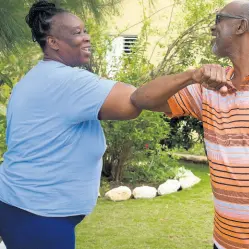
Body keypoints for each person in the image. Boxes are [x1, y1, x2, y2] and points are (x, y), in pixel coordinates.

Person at [0, 1, 228, 249]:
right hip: (40, 215)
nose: (87, 38)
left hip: (21, 206)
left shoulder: (34, 78)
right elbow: (134, 101)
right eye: (77, 33)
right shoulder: (68, 81)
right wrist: (192, 76)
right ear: (53, 42)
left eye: (85, 30)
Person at [131, 1, 249, 249]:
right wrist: (191, 75)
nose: (212, 27)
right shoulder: (208, 88)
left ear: (240, 26)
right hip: (225, 242)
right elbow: (141, 98)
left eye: (219, 19)